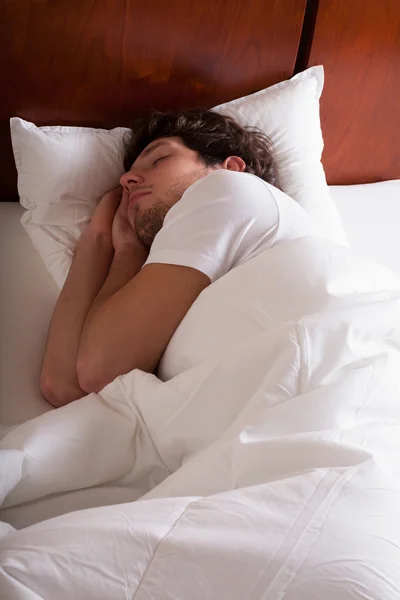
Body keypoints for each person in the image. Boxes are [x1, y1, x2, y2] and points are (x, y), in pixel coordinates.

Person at [40, 109, 318, 408]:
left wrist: (128, 254)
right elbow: (63, 385)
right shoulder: (180, 274)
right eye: (124, 183)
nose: (127, 179)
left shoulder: (229, 188)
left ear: (232, 167)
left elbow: (100, 370)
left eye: (159, 159)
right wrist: (100, 240)